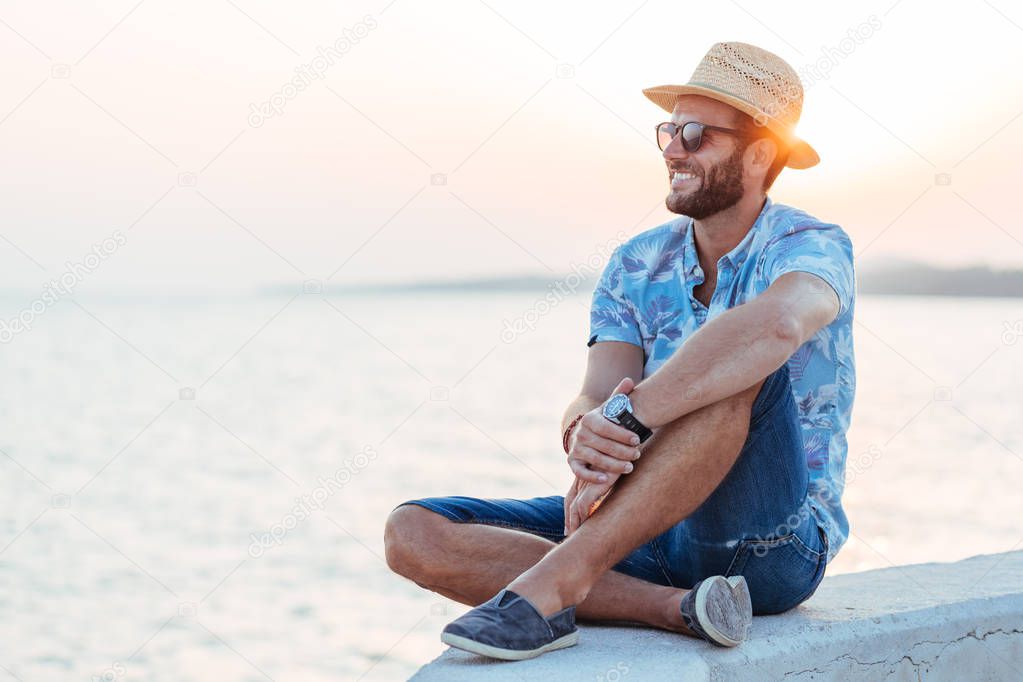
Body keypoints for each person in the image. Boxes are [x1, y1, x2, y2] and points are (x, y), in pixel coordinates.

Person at [384, 41, 856, 661]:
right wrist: (584, 428)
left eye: (694, 134)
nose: (671, 151)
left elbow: (776, 329)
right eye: (667, 132)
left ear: (760, 152)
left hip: (770, 545)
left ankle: (557, 587)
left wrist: (628, 418)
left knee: (738, 369)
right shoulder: (636, 261)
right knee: (414, 532)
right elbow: (600, 386)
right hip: (643, 527)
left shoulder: (811, 246)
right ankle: (674, 608)